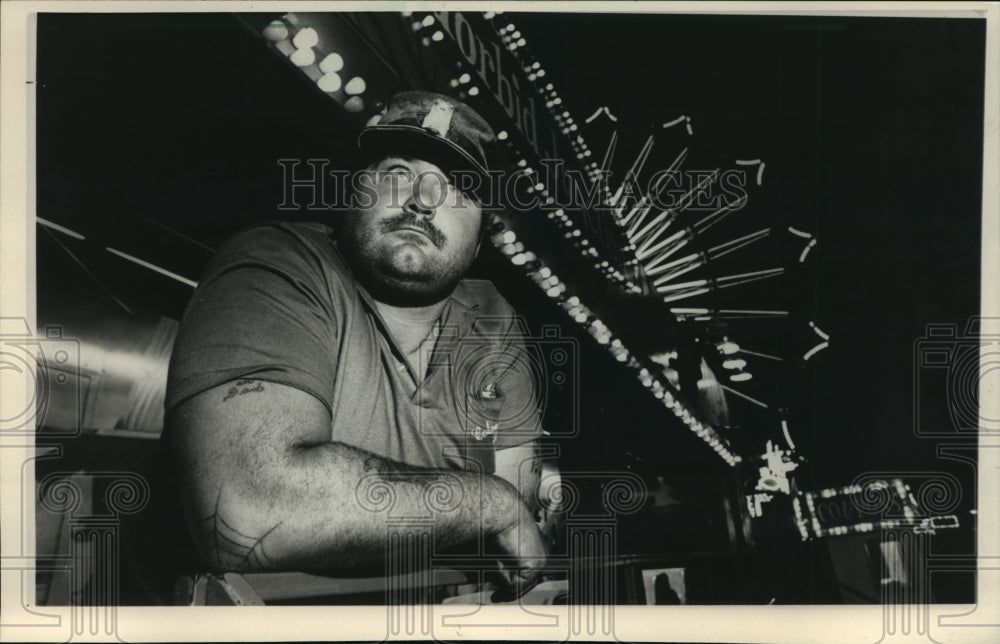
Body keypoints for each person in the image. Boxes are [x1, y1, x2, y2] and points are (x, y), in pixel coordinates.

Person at [160, 91, 551, 601]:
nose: (422, 200)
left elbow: (515, 528)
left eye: (455, 189)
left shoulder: (495, 321)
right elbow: (244, 513)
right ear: (356, 191)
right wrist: (488, 504)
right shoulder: (277, 263)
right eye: (396, 174)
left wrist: (505, 508)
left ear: (480, 240)